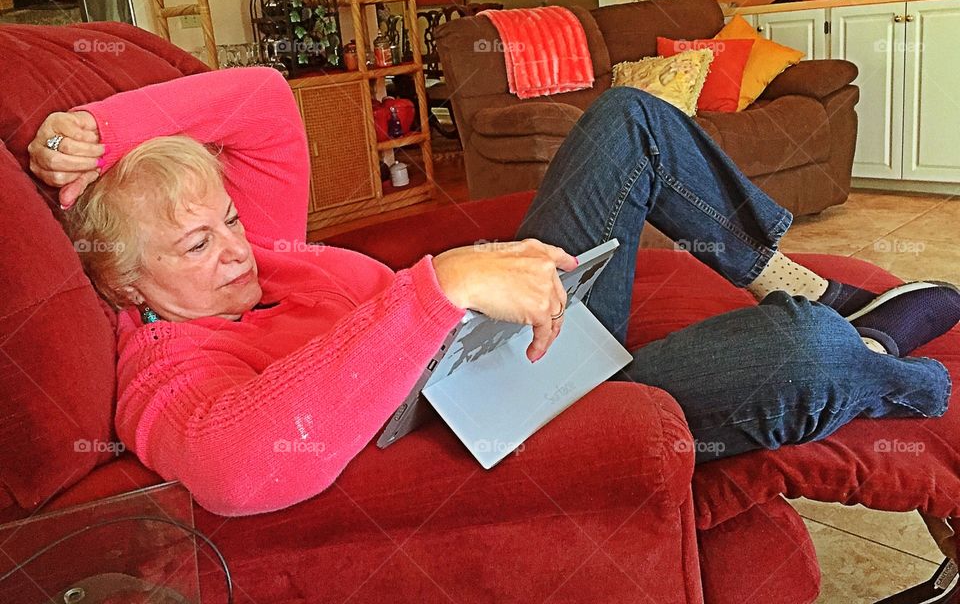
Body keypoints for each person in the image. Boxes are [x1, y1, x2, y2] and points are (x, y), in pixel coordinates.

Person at [28, 67, 959, 521]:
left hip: (512, 324)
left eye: (228, 217)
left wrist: (98, 131)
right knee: (798, 357)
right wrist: (433, 293)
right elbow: (238, 472)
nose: (238, 249)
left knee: (628, 118)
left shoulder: (257, 254)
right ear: (117, 280)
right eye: (197, 241)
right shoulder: (164, 368)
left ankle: (799, 282)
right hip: (531, 412)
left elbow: (265, 100)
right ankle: (887, 365)